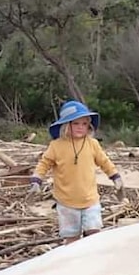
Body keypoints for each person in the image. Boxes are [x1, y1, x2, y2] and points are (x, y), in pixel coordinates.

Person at [29, 101, 124, 244]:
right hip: (66, 201)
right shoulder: (56, 146)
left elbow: (105, 162)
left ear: (89, 126)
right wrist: (36, 180)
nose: (80, 127)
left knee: (94, 234)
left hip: (90, 199)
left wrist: (115, 177)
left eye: (84, 124)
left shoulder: (92, 144)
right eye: (76, 123)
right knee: (72, 238)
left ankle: (92, 260)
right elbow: (44, 163)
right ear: (67, 125)